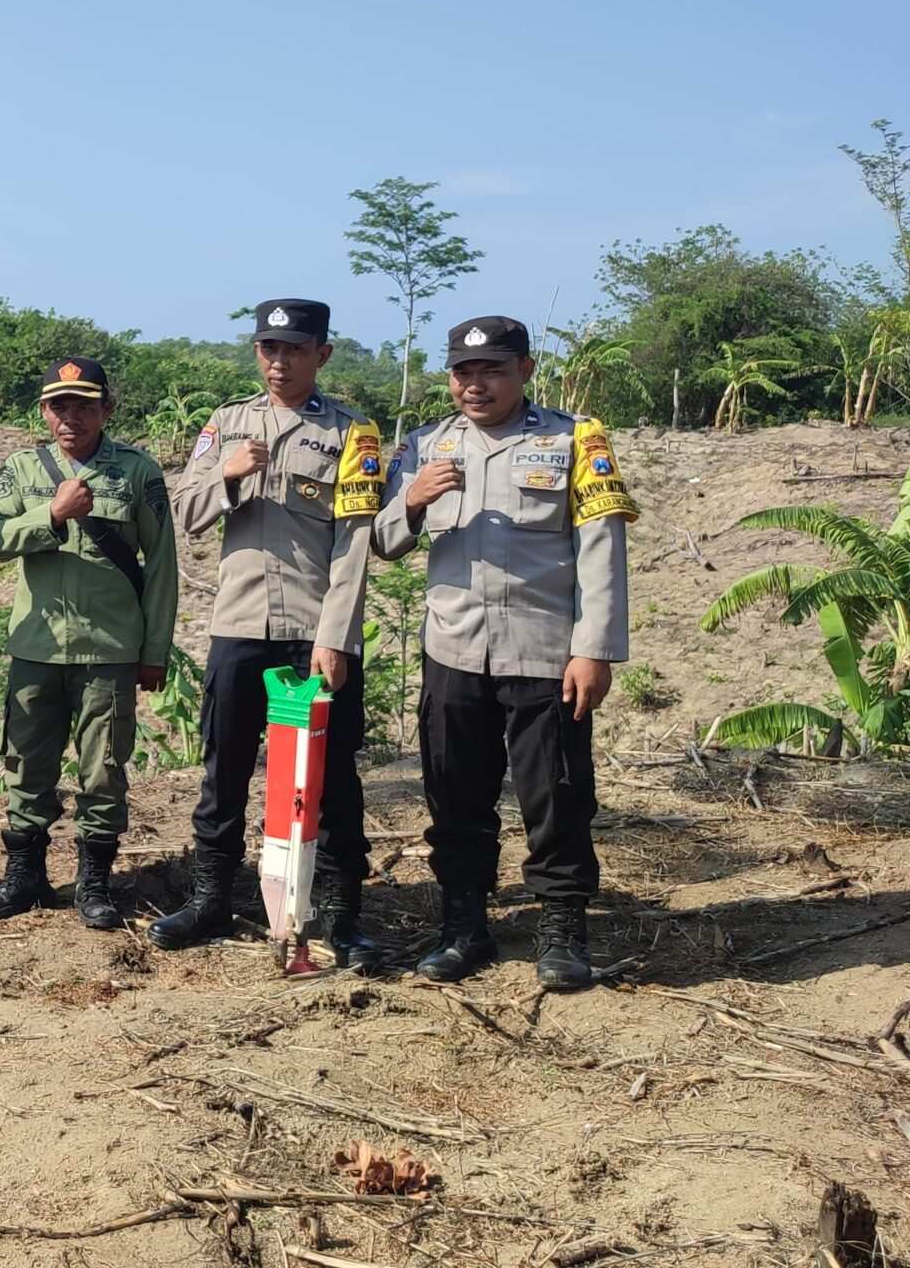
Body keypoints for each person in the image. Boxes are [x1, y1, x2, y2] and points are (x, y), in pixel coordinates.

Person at [374, 316, 633, 991]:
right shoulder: (424, 444)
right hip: (454, 649)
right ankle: (464, 924)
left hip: (545, 650)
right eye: (464, 371)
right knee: (455, 794)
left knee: (557, 797)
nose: (475, 384)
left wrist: (596, 649)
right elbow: (382, 539)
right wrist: (410, 499)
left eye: (491, 369)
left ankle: (562, 928)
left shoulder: (574, 439)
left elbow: (603, 547)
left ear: (524, 369)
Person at [151, 300, 387, 970]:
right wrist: (228, 475)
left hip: (316, 631)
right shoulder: (226, 424)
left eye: (294, 349)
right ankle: (211, 898)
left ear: (322, 354)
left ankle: (342, 917)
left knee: (333, 775)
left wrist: (336, 638)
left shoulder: (352, 434)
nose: (279, 362)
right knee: (223, 766)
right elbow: (187, 510)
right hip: (240, 625)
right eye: (268, 348)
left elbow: (355, 543)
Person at [0, 358, 178, 927]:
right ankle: (25, 877)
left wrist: (154, 651)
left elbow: (162, 566)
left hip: (109, 649)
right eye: (59, 406)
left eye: (85, 405)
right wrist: (51, 514)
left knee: (104, 769)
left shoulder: (138, 472)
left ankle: (94, 884)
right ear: (44, 411)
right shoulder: (20, 469)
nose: (71, 417)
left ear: (106, 410)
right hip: (36, 646)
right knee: (25, 764)